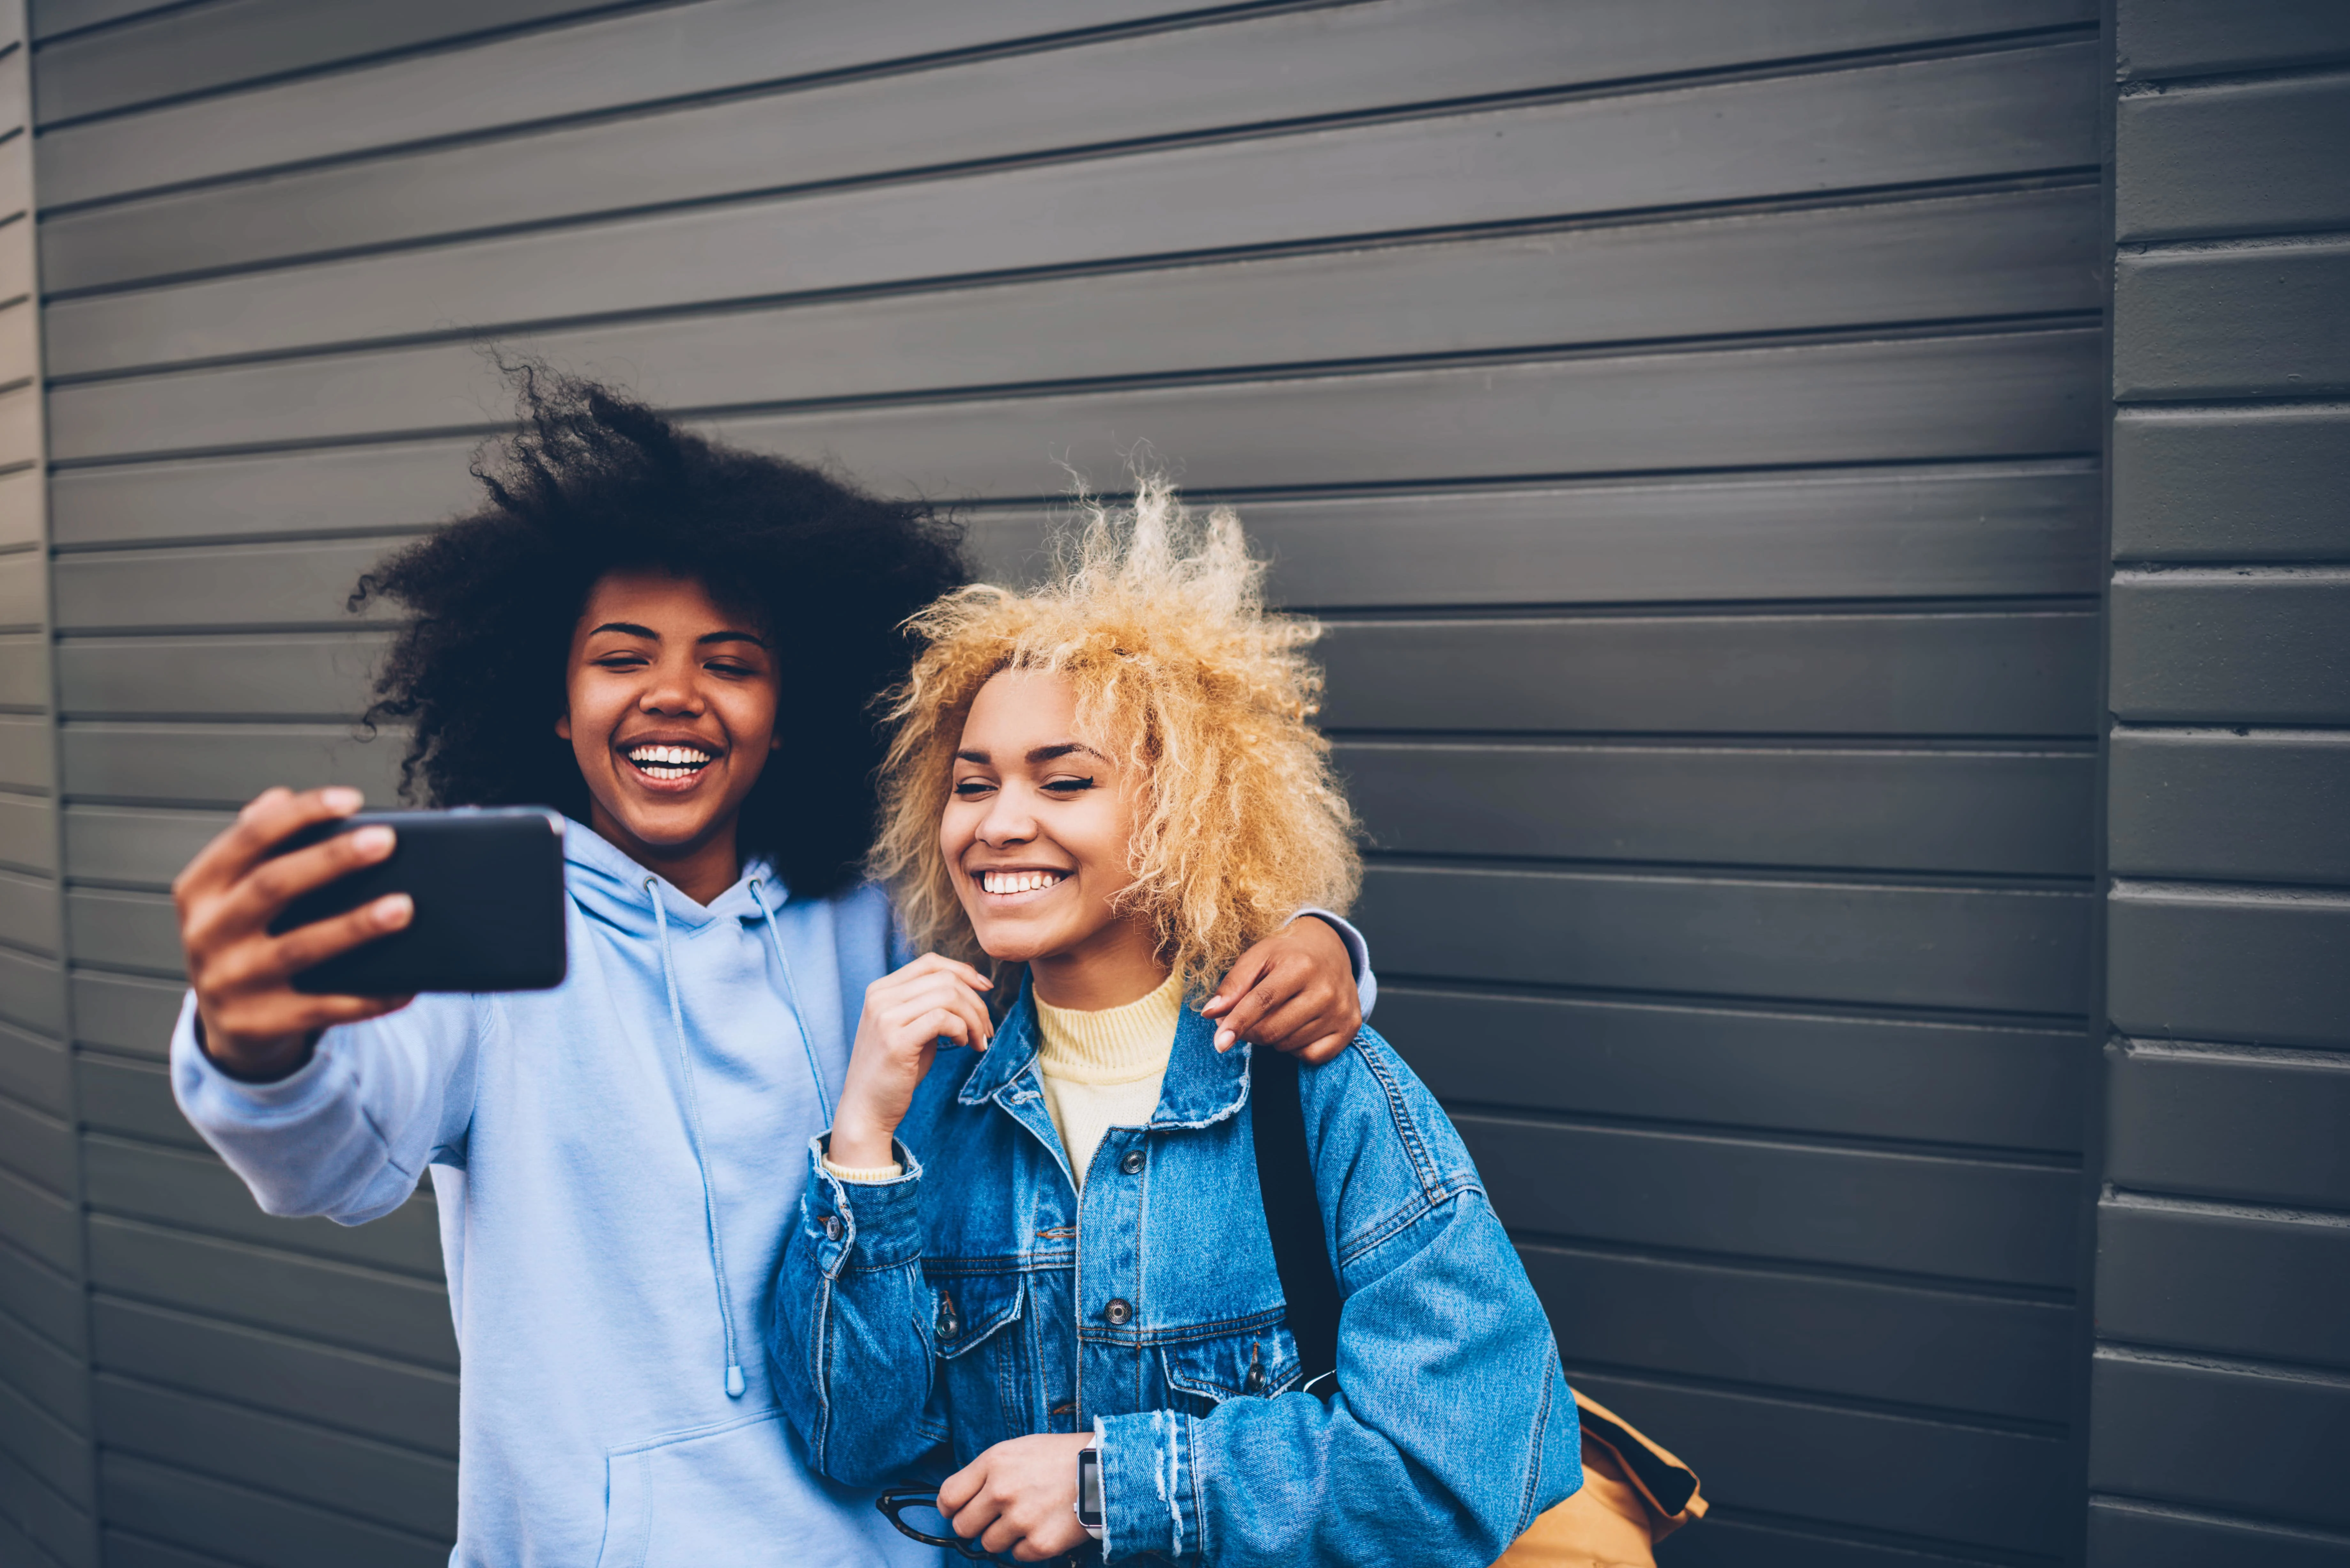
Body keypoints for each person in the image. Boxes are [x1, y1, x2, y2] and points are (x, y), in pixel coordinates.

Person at [166, 378, 1374, 1567]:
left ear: (789, 712)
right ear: (556, 701)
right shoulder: (496, 935)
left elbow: (1115, 937)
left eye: (730, 662)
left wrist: (1316, 940)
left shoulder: (887, 909)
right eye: (621, 656)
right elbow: (331, 1154)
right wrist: (253, 1043)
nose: (675, 695)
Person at [771, 482, 1580, 1564]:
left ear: (1189, 808)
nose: (1002, 822)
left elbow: (1458, 1469)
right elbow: (850, 1442)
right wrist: (863, 1142)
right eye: (973, 785)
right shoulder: (935, 1102)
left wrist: (1119, 1484)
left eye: (1064, 781)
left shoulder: (1323, 1087)